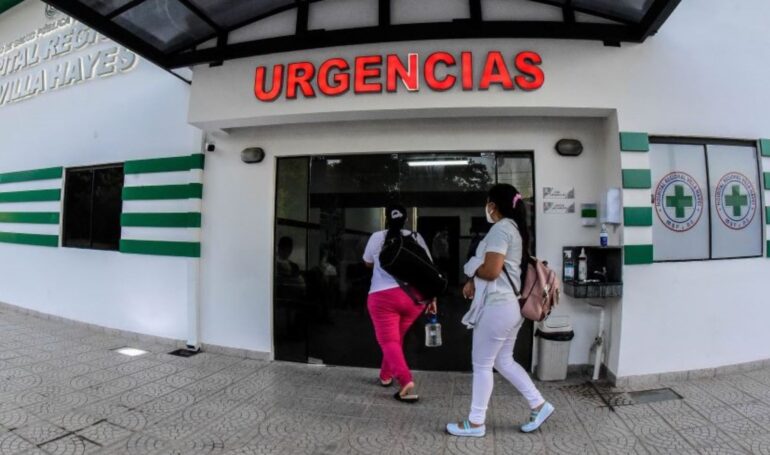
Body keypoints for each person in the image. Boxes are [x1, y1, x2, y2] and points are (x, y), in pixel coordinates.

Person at [447, 184, 554, 437]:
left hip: (497, 307)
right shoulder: (516, 230)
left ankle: (475, 423)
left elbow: (492, 270)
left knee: (482, 365)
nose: (486, 206)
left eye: (487, 202)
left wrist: (472, 269)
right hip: (511, 308)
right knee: (503, 360)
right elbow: (499, 270)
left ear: (493, 205)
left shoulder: (501, 229)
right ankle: (539, 404)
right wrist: (476, 276)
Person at [363, 204, 437, 403]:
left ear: (386, 218)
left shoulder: (377, 237)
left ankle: (406, 382)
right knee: (396, 339)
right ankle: (385, 376)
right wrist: (432, 297)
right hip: (414, 298)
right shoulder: (415, 237)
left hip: (383, 298)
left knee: (389, 341)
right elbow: (428, 269)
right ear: (406, 219)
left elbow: (368, 263)